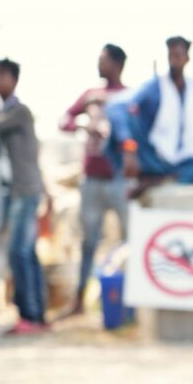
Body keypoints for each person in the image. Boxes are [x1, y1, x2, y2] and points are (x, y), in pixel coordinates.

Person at [106, 33, 193, 190]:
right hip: (154, 159)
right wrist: (128, 147)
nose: (174, 60)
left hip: (183, 162)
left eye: (178, 55)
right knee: (126, 118)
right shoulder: (155, 86)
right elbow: (115, 108)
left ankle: (167, 178)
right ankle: (165, 176)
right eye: (171, 55)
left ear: (187, 58)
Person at [0, 58, 48, 335]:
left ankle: (30, 315)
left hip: (25, 190)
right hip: (21, 189)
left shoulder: (19, 112)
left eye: (0, 75)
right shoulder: (9, 110)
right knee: (26, 252)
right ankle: (35, 315)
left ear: (13, 79)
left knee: (19, 252)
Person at [57, 44, 129, 317]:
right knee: (88, 243)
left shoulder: (129, 96)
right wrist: (82, 125)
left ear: (118, 63)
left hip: (120, 179)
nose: (99, 65)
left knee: (130, 240)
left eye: (104, 60)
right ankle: (79, 302)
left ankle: (128, 302)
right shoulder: (91, 95)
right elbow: (64, 120)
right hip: (92, 179)